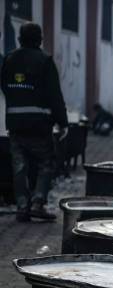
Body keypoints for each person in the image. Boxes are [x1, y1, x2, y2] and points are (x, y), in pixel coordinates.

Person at [1, 22, 67, 222]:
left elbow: (5, 86)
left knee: (19, 165)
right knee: (46, 162)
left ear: (20, 39)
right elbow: (54, 94)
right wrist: (62, 122)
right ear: (39, 40)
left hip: (15, 123)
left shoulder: (9, 60)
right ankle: (38, 203)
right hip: (39, 124)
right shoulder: (44, 61)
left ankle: (22, 207)